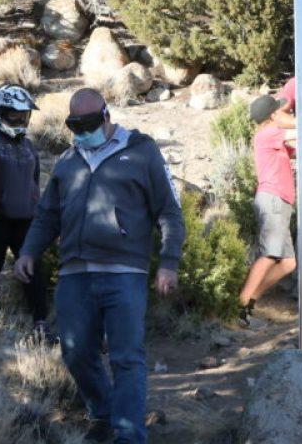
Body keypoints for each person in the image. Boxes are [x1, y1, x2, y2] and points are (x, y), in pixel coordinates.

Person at [15, 88, 184, 444]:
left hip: (125, 273)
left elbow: (168, 210)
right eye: (74, 125)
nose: (81, 131)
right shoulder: (67, 160)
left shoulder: (141, 151)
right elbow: (47, 215)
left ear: (106, 116)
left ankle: (129, 434)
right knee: (75, 353)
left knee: (127, 358)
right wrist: (29, 251)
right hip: (75, 273)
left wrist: (168, 262)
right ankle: (103, 413)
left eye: (88, 123)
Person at [0, 85, 48, 333]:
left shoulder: (27, 144)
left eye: (24, 114)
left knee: (34, 270)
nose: (21, 119)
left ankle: (40, 322)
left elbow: (35, 178)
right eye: (14, 114)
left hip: (26, 219)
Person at [236, 94, 298, 326]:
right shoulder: (268, 134)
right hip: (272, 201)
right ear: (272, 115)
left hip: (279, 202)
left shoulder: (275, 139)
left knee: (288, 263)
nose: (285, 113)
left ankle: (249, 303)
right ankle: (240, 308)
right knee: (269, 255)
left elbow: (295, 144)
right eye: (280, 111)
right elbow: (299, 129)